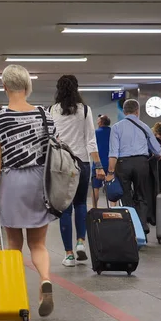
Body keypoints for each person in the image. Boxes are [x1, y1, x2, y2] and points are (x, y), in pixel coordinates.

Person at [0, 64, 56, 318]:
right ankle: (45, 279)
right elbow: (52, 150)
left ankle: (13, 292)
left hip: (12, 181)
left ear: (4, 87)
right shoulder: (44, 115)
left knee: (14, 243)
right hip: (39, 181)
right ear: (27, 85)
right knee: (39, 244)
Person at [50, 75, 105, 266]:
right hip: (82, 163)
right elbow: (91, 140)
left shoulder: (51, 111)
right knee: (81, 204)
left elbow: (51, 140)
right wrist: (98, 166)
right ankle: (81, 242)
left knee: (64, 208)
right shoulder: (85, 110)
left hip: (61, 165)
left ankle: (69, 254)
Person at [106, 99, 161, 234]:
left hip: (123, 164)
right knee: (142, 195)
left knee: (126, 196)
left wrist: (110, 172)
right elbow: (158, 151)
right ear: (137, 111)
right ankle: (143, 225)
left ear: (124, 112)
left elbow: (113, 152)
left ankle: (131, 226)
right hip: (141, 163)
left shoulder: (116, 127)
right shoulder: (145, 127)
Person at [92, 115, 112, 209]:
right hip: (111, 163)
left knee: (95, 188)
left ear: (101, 122)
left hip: (98, 163)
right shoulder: (113, 132)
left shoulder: (95, 133)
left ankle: (95, 208)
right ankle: (113, 207)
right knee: (112, 185)